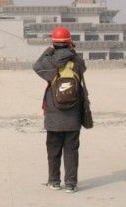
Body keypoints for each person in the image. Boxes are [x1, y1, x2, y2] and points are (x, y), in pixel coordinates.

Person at [33, 26, 87, 193]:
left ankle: (54, 181)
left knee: (53, 149)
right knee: (71, 150)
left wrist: (50, 49)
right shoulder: (76, 62)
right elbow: (83, 67)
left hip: (54, 114)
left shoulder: (49, 63)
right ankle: (71, 184)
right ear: (69, 42)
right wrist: (72, 50)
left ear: (54, 43)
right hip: (73, 115)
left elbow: (36, 65)